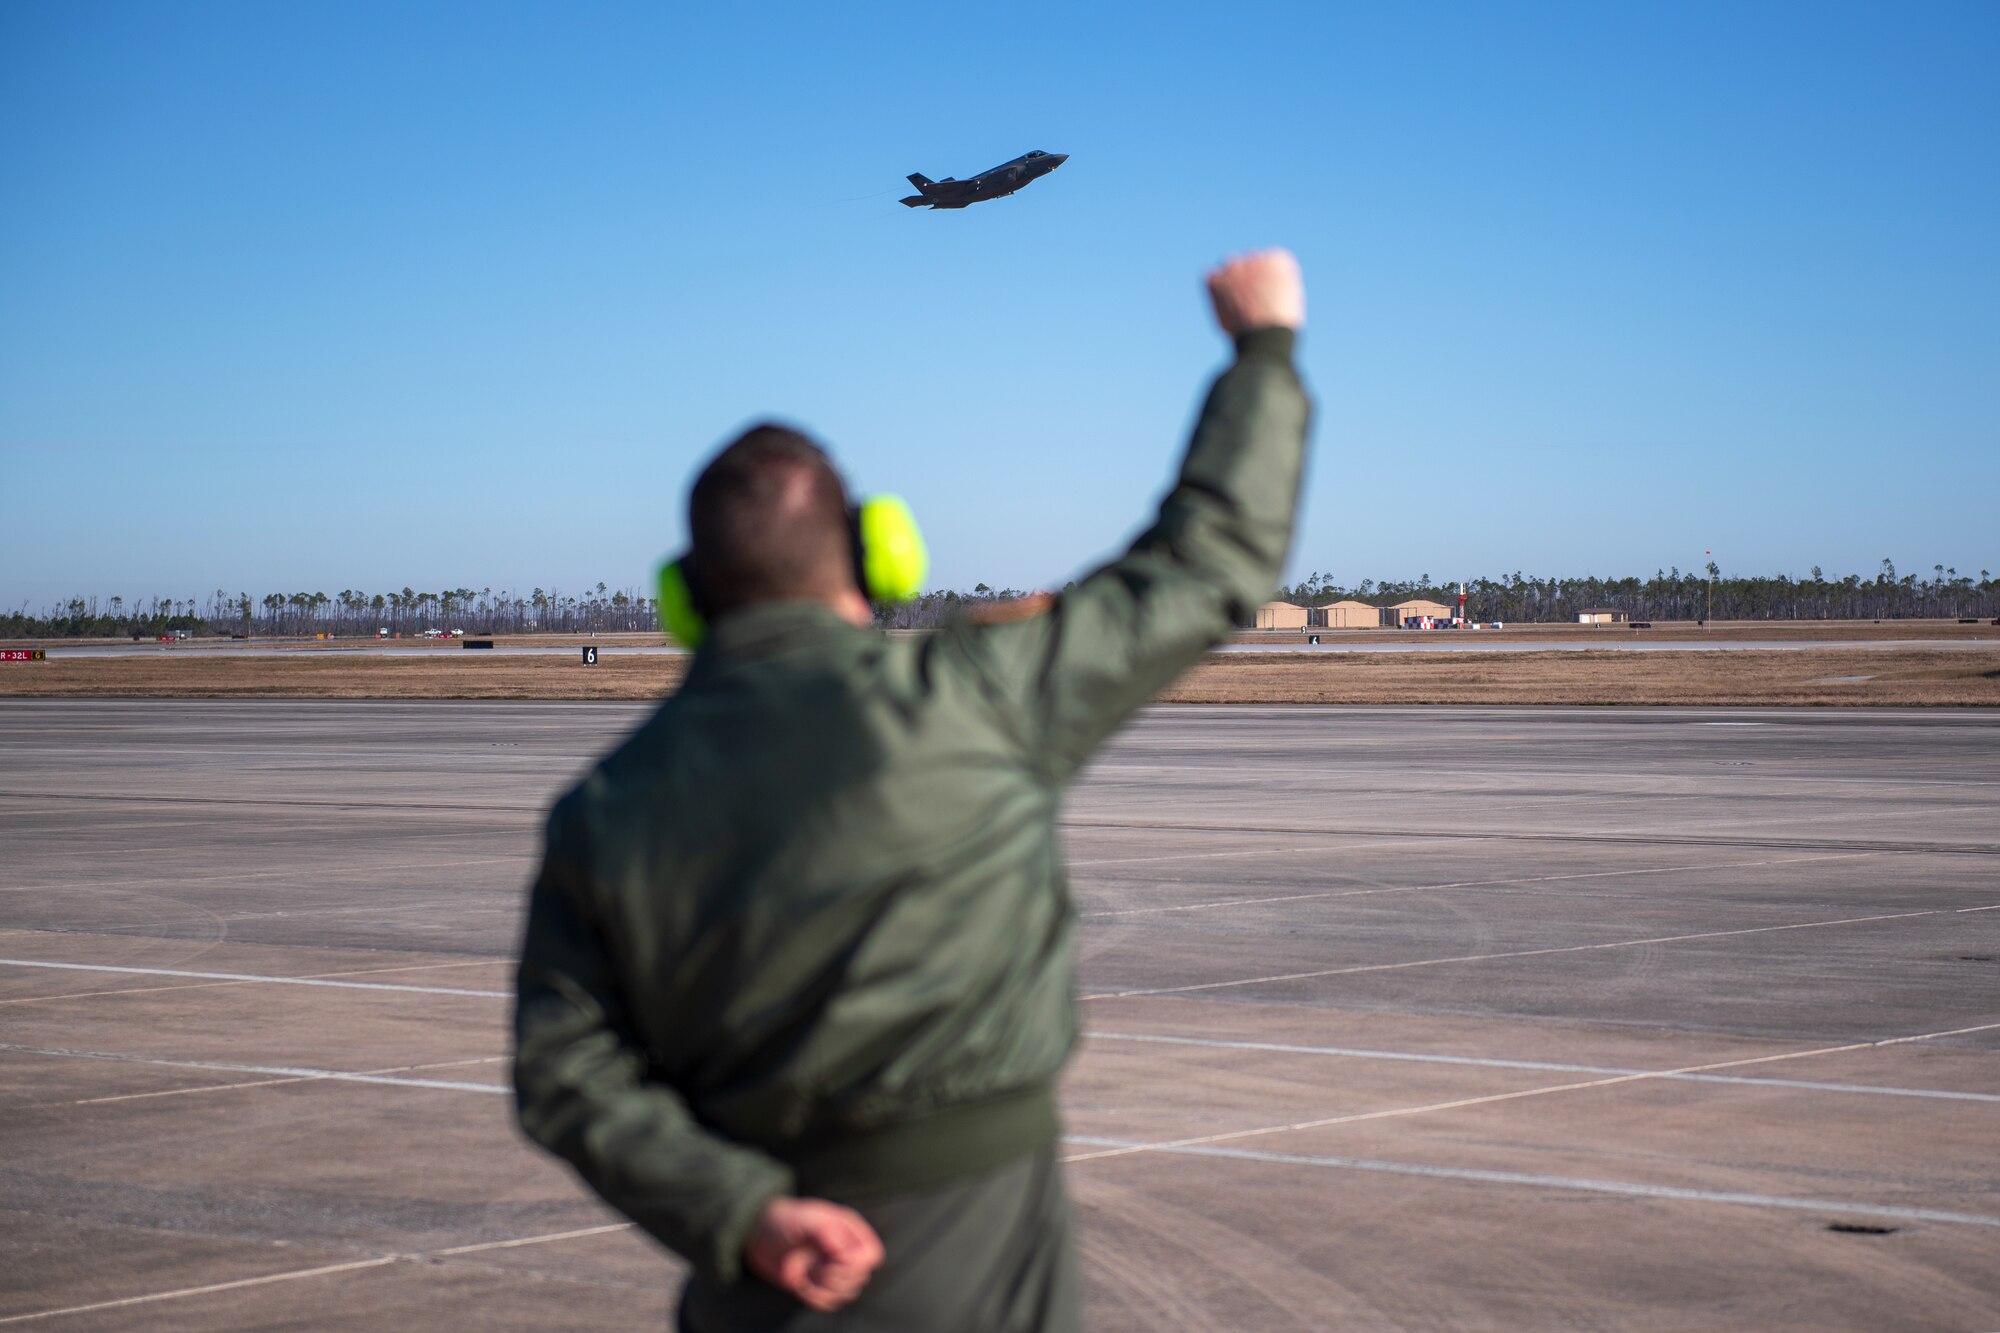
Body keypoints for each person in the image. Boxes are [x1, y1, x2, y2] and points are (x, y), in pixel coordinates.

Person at [513, 249, 1312, 1331]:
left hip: (759, 1278)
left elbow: (563, 1068)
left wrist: (741, 1209)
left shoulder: (603, 808)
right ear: (880, 553)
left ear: (684, 599)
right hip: (973, 1265)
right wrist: (1261, 351)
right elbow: (1203, 559)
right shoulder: (969, 693)